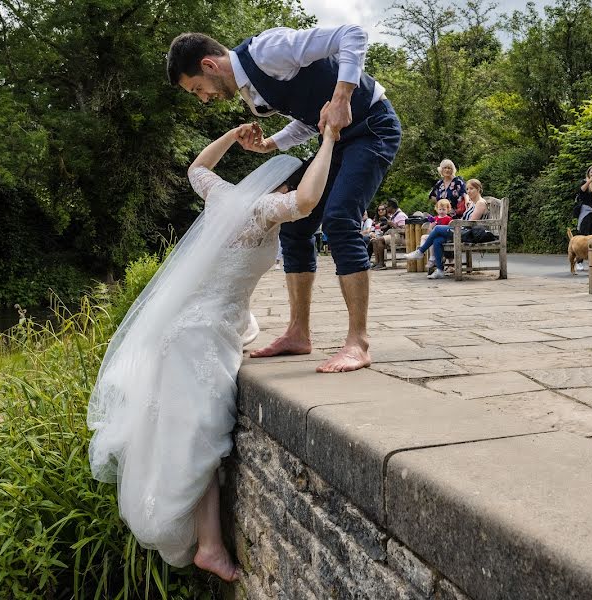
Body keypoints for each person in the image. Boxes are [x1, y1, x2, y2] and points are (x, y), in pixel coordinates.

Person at [87, 124, 337, 582]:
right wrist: (329, 141)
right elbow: (305, 201)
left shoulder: (223, 199)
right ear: (279, 185)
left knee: (186, 436)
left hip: (184, 329)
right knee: (200, 437)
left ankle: (209, 544)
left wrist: (230, 135)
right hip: (201, 336)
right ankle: (208, 545)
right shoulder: (262, 210)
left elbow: (197, 167)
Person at [166, 26, 402, 373]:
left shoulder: (268, 50)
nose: (204, 98)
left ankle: (358, 343)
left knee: (338, 220)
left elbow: (352, 35)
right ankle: (297, 333)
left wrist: (341, 99)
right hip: (335, 138)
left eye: (198, 88)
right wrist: (270, 144)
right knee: (294, 226)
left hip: (371, 128)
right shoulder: (253, 94)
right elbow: (310, 119)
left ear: (209, 65)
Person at [406, 179, 491, 279]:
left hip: (469, 234)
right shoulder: (472, 203)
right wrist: (456, 222)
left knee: (437, 228)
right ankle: (440, 271)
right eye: (467, 189)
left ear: (478, 189)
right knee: (437, 241)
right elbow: (465, 220)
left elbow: (471, 223)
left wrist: (455, 224)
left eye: (471, 189)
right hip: (463, 230)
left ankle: (420, 252)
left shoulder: (480, 203)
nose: (468, 191)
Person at [572, 165, 592, 271]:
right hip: (585, 212)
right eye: (591, 172)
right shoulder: (585, 182)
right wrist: (590, 180)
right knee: (583, 237)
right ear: (588, 174)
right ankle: (579, 261)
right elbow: (581, 191)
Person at [370, 198, 407, 269]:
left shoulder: (400, 215)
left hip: (401, 237)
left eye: (387, 207)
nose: (386, 209)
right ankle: (377, 262)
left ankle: (381, 264)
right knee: (374, 240)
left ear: (391, 207)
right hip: (394, 235)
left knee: (380, 240)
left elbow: (404, 231)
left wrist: (393, 225)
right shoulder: (394, 215)